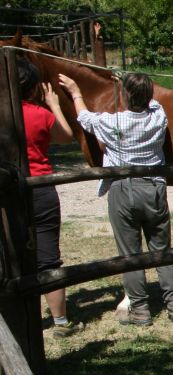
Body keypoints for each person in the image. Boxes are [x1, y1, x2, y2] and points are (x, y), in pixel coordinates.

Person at [58, 72, 173, 326]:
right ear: (149, 96)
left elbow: (84, 117)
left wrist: (76, 93)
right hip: (154, 188)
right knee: (163, 250)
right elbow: (156, 102)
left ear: (125, 97)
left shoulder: (112, 122)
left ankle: (140, 309)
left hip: (123, 189)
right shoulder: (158, 118)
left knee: (130, 253)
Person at [19, 59, 84, 338]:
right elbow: (66, 137)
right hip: (41, 190)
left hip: (8, 192)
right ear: (34, 87)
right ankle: (59, 322)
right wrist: (54, 105)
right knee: (48, 257)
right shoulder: (39, 114)